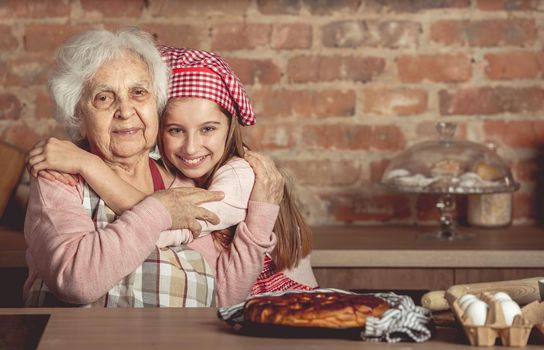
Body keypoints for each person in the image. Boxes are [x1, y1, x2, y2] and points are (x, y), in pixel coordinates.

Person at [27, 45, 318, 299]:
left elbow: (223, 293)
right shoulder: (60, 176)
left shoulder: (209, 179)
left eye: (138, 93)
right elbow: (77, 281)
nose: (125, 111)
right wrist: (160, 210)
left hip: (283, 304)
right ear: (79, 116)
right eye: (104, 98)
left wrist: (157, 209)